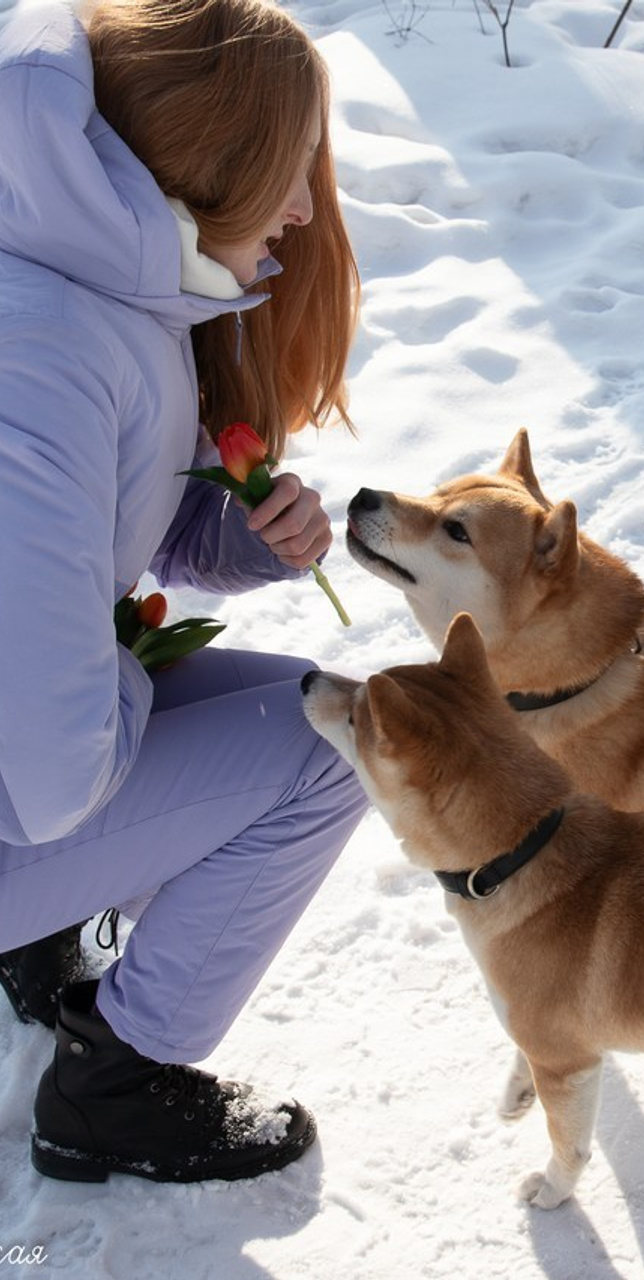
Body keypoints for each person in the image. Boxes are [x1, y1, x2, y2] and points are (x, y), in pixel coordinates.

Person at [0, 0, 369, 1183]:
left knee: (306, 716)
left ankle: (41, 942)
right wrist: (121, 688)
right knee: (335, 745)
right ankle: (116, 1085)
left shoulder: (81, 274)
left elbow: (98, 538)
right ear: (213, 162)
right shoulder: (44, 353)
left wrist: (245, 536)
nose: (306, 209)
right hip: (21, 786)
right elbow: (54, 779)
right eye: (290, 170)